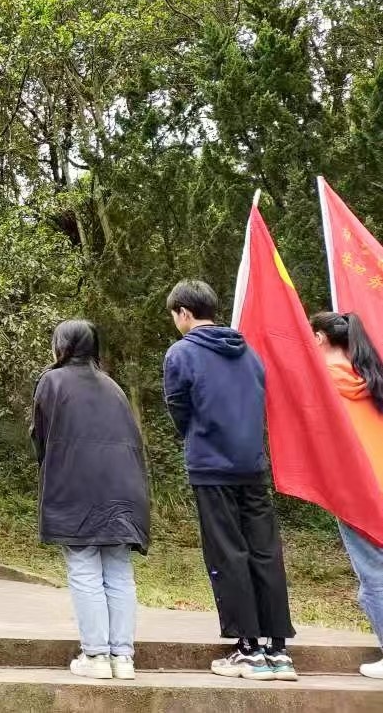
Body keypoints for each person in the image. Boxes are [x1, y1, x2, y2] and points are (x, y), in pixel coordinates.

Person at [163, 279, 296, 681]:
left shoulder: (181, 353)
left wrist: (197, 437)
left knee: (228, 554)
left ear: (184, 313)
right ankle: (278, 650)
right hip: (253, 465)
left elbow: (179, 409)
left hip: (211, 466)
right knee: (264, 551)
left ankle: (248, 650)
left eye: (174, 315)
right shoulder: (249, 352)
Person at [33, 319, 149, 681]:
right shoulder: (113, 386)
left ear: (62, 346)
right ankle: (122, 656)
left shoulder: (52, 381)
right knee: (118, 570)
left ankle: (96, 655)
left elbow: (41, 436)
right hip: (124, 488)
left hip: (76, 486)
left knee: (84, 566)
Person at [310, 311, 383, 679]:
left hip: (360, 495)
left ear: (321, 338)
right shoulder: (371, 379)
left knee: (374, 578)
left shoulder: (324, 384)